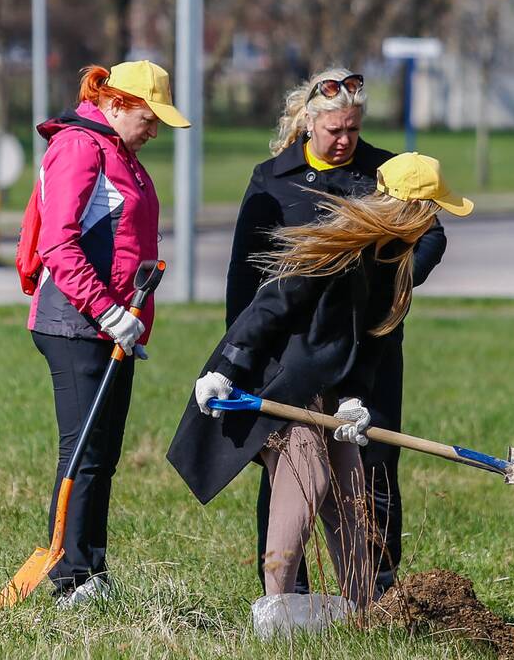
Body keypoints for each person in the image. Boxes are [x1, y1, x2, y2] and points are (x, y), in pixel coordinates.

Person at [168, 153, 473, 607]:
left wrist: (355, 400)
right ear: (409, 210)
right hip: (281, 378)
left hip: (330, 383)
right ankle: (277, 605)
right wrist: (224, 370)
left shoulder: (394, 263)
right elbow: (271, 306)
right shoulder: (338, 247)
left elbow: (370, 343)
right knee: (307, 476)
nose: (434, 222)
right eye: (431, 211)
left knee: (350, 486)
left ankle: (365, 608)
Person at [224, 68, 447, 594]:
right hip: (289, 350)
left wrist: (391, 283)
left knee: (373, 457)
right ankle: (286, 587)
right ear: (309, 122)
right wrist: (240, 352)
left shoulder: (384, 170)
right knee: (289, 466)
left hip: (368, 346)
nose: (346, 140)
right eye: (335, 131)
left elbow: (431, 234)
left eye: (353, 129)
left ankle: (376, 584)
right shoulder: (272, 178)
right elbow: (245, 272)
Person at [28, 60, 190, 607]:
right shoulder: (79, 147)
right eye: (149, 117)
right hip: (74, 323)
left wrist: (129, 320)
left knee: (103, 452)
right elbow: (59, 244)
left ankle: (90, 569)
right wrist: (106, 311)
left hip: (113, 327)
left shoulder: (123, 154)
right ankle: (70, 576)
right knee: (83, 450)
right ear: (116, 103)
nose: (155, 129)